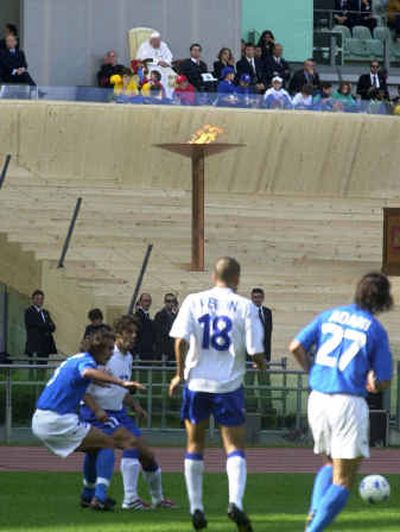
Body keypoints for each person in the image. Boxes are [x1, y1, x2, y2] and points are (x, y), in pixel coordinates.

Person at [289, 272, 393, 532]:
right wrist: (373, 382)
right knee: (344, 480)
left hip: (318, 399)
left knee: (328, 463)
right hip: (347, 402)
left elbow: (295, 346)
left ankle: (315, 512)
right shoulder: (375, 329)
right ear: (383, 300)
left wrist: (313, 372)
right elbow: (385, 379)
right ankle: (313, 529)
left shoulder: (330, 315)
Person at [169, 256, 265, 531]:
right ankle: (235, 502)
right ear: (237, 279)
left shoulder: (193, 300)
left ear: (213, 276)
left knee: (194, 444)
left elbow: (179, 341)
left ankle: (196, 507)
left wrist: (179, 374)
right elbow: (255, 350)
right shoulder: (246, 306)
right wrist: (261, 366)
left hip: (197, 384)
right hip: (229, 386)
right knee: (234, 447)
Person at [32, 326, 146, 510]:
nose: (110, 354)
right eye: (108, 349)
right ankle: (100, 498)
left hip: (42, 418)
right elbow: (87, 373)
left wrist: (101, 380)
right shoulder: (86, 362)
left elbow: (82, 378)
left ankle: (88, 495)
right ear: (97, 348)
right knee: (108, 443)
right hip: (57, 420)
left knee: (95, 448)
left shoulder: (74, 359)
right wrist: (120, 382)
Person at [80, 315, 176, 510]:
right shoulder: (106, 355)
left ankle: (157, 499)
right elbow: (84, 388)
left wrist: (135, 405)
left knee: (146, 454)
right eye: (128, 332)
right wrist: (97, 410)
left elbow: (119, 389)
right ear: (118, 334)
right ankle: (129, 499)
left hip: (118, 413)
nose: (133, 336)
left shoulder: (129, 358)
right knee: (127, 446)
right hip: (99, 414)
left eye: (135, 333)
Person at [25, 290, 57, 363]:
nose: (40, 301)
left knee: (43, 365)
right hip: (35, 345)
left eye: (41, 299)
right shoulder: (29, 311)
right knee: (34, 366)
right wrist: (47, 326)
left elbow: (53, 326)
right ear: (33, 300)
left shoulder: (45, 312)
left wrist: (47, 326)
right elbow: (36, 325)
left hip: (46, 345)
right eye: (37, 299)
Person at [250, 288, 272, 363]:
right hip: (250, 354)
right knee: (250, 374)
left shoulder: (267, 312)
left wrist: (267, 355)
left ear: (263, 298)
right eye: (255, 297)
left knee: (263, 374)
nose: (257, 300)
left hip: (264, 353)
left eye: (259, 297)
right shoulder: (247, 312)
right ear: (252, 298)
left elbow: (268, 334)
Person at [154, 294, 178, 361]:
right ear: (165, 302)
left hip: (174, 348)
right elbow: (159, 333)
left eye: (173, 301)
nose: (171, 303)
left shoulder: (176, 315)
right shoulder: (159, 315)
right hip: (164, 349)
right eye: (168, 301)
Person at [134, 293, 156, 361]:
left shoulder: (146, 315)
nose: (147, 303)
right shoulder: (138, 316)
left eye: (149, 301)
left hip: (148, 351)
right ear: (140, 302)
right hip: (141, 351)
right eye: (145, 301)